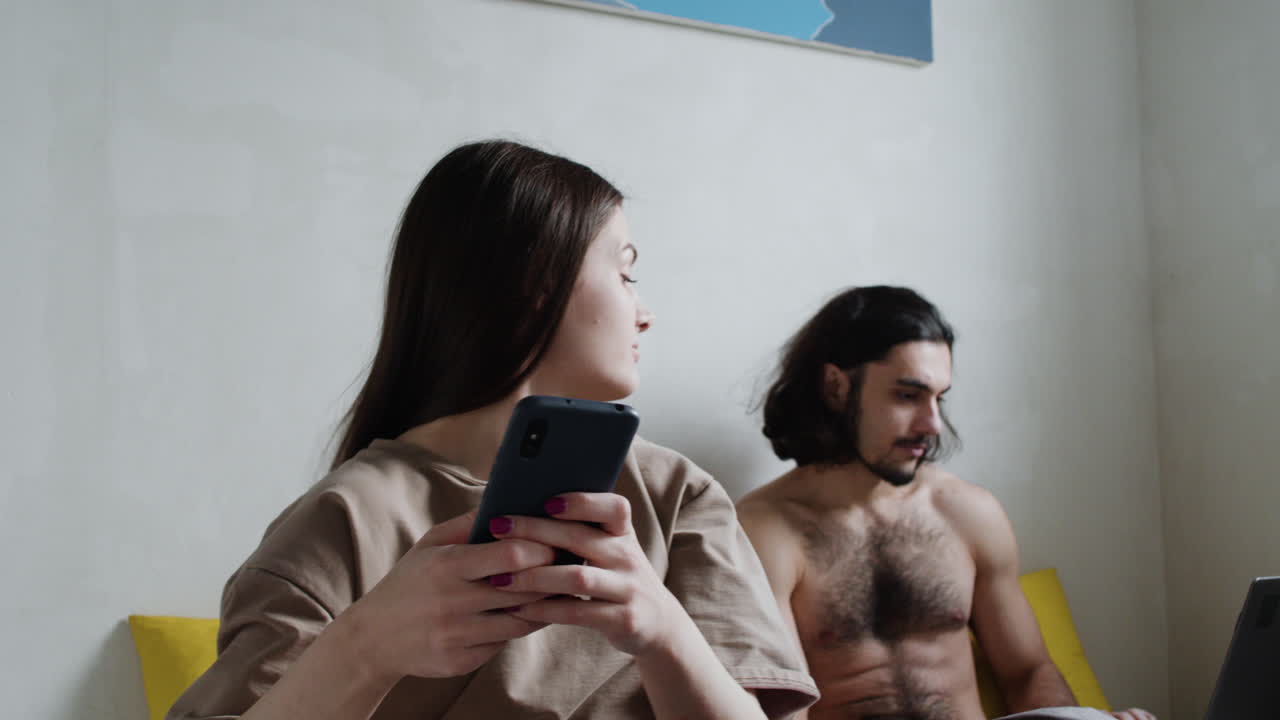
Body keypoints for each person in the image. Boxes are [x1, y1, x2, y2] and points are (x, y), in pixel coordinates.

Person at [169, 140, 818, 720]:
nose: (644, 312)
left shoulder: (676, 496)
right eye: (625, 273)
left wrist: (663, 631)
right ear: (538, 282)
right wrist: (364, 649)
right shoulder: (343, 522)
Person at [736, 286, 1155, 720]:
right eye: (907, 395)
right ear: (836, 387)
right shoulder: (765, 531)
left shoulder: (968, 513)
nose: (933, 424)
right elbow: (781, 709)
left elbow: (1028, 672)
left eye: (939, 398)